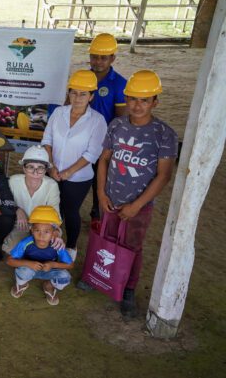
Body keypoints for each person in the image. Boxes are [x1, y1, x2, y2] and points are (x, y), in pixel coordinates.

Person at [85, 69, 177, 319]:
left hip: (139, 206)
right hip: (111, 199)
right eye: (133, 98)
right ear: (126, 98)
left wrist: (136, 206)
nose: (137, 105)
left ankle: (128, 289)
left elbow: (163, 175)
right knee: (106, 239)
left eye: (144, 100)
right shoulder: (116, 125)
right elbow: (104, 160)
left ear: (155, 102)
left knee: (132, 246)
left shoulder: (164, 134)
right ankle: (99, 276)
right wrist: (102, 194)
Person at [42, 70, 107, 260]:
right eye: (74, 92)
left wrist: (69, 172)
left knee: (70, 211)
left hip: (78, 177)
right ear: (68, 93)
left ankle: (70, 246)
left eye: (83, 94)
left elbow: (92, 153)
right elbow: (47, 139)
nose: (77, 98)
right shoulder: (58, 113)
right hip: (53, 171)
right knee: (51, 209)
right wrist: (51, 166)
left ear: (91, 96)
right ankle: (50, 241)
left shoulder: (97, 121)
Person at [87, 33, 128, 229]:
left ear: (113, 58)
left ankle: (96, 214)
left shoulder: (119, 83)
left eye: (104, 57)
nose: (98, 61)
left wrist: (110, 146)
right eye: (95, 56)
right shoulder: (82, 78)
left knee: (99, 180)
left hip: (103, 142)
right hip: (78, 138)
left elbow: (121, 119)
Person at [7, 205, 74, 306]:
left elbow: (70, 265)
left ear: (54, 233)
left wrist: (52, 264)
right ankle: (21, 285)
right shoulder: (26, 243)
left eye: (47, 231)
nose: (41, 235)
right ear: (32, 230)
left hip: (49, 270)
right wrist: (29, 263)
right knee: (23, 271)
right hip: (30, 270)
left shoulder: (57, 245)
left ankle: (49, 285)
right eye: (37, 230)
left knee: (65, 277)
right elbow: (10, 261)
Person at [4, 145, 61, 252]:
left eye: (40, 168)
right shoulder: (13, 181)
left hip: (44, 226)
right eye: (31, 167)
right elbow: (4, 203)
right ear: (24, 168)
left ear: (45, 170)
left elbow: (55, 215)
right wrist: (17, 209)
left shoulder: (52, 185)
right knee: (14, 249)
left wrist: (56, 233)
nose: (35, 172)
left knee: (49, 250)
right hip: (20, 225)